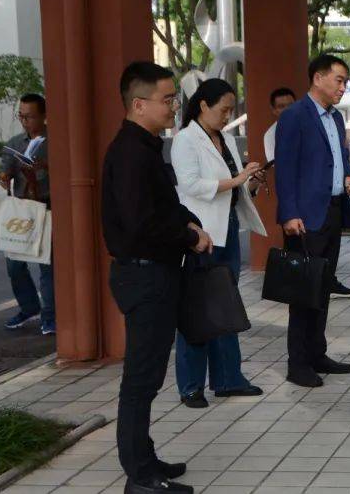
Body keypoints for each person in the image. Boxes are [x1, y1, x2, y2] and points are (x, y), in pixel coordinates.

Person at [103, 61, 211, 494]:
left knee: (147, 377)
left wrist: (191, 224)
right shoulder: (130, 153)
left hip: (157, 275)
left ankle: (145, 458)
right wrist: (187, 235)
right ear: (138, 103)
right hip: (143, 277)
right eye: (167, 100)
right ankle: (139, 476)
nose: (173, 107)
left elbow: (163, 207)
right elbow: (139, 223)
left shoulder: (145, 147)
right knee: (141, 379)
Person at [170, 79, 268, 408]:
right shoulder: (185, 139)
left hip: (227, 230)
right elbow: (192, 185)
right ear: (203, 106)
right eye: (223, 109)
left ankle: (228, 379)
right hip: (201, 236)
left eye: (230, 110)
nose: (228, 116)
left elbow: (233, 189)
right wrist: (235, 180)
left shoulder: (224, 138)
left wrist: (249, 183)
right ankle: (191, 386)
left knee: (226, 309)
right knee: (197, 312)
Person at [274, 54, 350, 388]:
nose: (343, 87)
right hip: (305, 218)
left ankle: (317, 353)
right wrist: (289, 213)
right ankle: (298, 364)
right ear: (318, 78)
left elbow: (340, 158)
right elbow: (285, 168)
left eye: (345, 81)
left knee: (323, 287)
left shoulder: (336, 119)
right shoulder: (295, 116)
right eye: (339, 80)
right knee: (302, 292)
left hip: (334, 210)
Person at [0, 94, 55, 334]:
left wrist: (42, 169)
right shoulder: (14, 143)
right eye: (21, 116)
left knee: (47, 267)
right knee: (15, 266)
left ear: (43, 117)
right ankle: (29, 306)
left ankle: (50, 316)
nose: (24, 121)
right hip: (22, 212)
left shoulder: (54, 143)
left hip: (47, 207)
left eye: (29, 116)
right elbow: (4, 172)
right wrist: (4, 176)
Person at [263, 87, 296, 162]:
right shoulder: (270, 135)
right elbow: (276, 164)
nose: (288, 110)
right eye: (281, 106)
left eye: (291, 105)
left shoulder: (310, 125)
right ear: (273, 110)